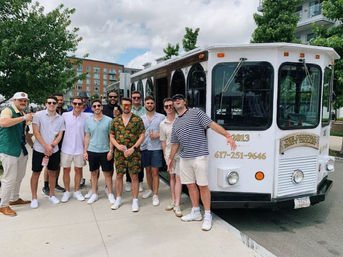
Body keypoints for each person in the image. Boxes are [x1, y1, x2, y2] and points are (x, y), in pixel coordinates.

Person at [168, 94, 236, 231]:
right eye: (174, 100)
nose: (177, 100)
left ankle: (207, 215)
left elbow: (212, 124)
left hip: (199, 156)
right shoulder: (175, 123)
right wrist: (170, 158)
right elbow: (175, 144)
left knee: (203, 186)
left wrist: (227, 135)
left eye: (179, 98)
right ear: (173, 105)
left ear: (185, 101)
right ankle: (196, 212)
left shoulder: (196, 112)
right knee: (190, 186)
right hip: (184, 158)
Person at [0, 92, 33, 216]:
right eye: (20, 101)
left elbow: (26, 132)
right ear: (14, 101)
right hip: (8, 150)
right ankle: (3, 205)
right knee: (9, 178)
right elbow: (3, 123)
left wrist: (32, 145)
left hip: (20, 149)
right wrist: (24, 118)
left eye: (25, 101)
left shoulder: (22, 113)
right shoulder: (7, 111)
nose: (23, 103)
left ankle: (14, 199)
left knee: (19, 176)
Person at [110, 97, 145, 212]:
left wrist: (134, 147)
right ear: (120, 106)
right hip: (119, 154)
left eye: (128, 105)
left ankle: (135, 200)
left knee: (134, 176)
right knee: (119, 176)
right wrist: (117, 146)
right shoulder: (115, 121)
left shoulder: (137, 120)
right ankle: (119, 198)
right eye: (124, 105)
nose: (126, 107)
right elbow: (111, 136)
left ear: (131, 106)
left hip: (133, 153)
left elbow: (142, 135)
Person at [30, 96, 65, 208]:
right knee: (36, 172)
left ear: (57, 104)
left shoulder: (60, 118)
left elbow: (60, 135)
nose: (51, 104)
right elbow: (36, 132)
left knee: (53, 172)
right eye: (49, 102)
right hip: (39, 150)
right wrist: (46, 146)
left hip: (53, 150)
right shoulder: (38, 115)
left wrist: (52, 146)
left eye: (54, 103)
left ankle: (51, 195)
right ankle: (34, 198)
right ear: (46, 103)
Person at [83, 99, 115, 204]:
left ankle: (110, 193)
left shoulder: (109, 120)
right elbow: (87, 137)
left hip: (105, 151)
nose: (97, 108)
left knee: (107, 173)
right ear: (92, 108)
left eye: (98, 106)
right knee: (94, 173)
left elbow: (111, 137)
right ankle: (95, 193)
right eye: (94, 106)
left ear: (102, 107)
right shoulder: (88, 121)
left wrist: (111, 151)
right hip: (92, 151)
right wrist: (85, 151)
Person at [60, 97, 91, 203]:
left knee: (79, 170)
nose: (77, 106)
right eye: (75, 103)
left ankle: (77, 191)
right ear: (72, 104)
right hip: (66, 148)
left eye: (79, 104)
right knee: (66, 170)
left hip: (80, 149)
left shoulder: (87, 116)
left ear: (83, 105)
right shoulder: (65, 116)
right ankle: (67, 191)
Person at [140, 96, 165, 206]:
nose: (149, 105)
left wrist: (158, 135)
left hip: (156, 148)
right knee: (147, 170)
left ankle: (155, 194)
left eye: (151, 103)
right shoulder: (141, 118)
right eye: (147, 103)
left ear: (154, 104)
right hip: (144, 147)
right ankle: (150, 189)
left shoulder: (161, 117)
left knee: (155, 172)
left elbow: (166, 132)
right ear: (144, 105)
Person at [160, 98, 182, 217]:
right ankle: (173, 201)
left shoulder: (181, 119)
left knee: (179, 178)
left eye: (170, 105)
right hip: (169, 155)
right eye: (166, 106)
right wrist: (165, 156)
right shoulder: (162, 124)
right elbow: (163, 142)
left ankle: (177, 204)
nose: (169, 108)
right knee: (172, 177)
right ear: (164, 108)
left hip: (182, 154)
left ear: (174, 106)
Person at [42, 93, 66, 196]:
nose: (60, 102)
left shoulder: (64, 112)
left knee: (58, 165)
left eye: (61, 100)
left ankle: (55, 183)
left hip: (61, 142)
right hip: (49, 143)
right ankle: (46, 186)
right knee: (48, 165)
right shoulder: (46, 112)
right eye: (58, 100)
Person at [125, 91, 146, 193]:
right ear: (131, 99)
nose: (136, 99)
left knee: (140, 163)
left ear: (141, 98)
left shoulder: (145, 110)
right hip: (129, 140)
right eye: (134, 98)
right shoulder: (128, 109)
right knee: (128, 161)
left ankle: (140, 181)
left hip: (142, 140)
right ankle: (128, 181)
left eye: (138, 98)